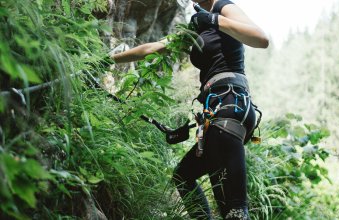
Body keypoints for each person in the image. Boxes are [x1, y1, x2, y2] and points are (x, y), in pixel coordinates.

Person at [110, 0, 269, 219]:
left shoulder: (222, 7)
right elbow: (153, 48)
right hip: (217, 112)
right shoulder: (196, 26)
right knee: (184, 176)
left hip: (231, 104)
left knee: (236, 212)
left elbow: (261, 39)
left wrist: (214, 20)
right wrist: (109, 60)